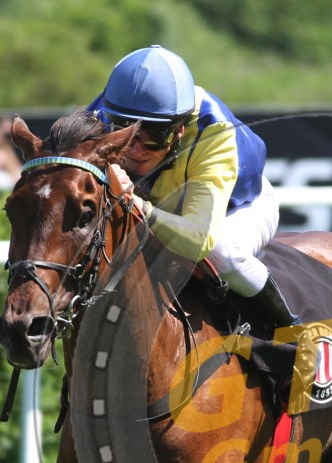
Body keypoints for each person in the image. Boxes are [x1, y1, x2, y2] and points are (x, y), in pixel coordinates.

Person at [90, 45, 298, 327]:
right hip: (161, 202)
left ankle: (292, 330)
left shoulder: (213, 132)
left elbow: (198, 240)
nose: (135, 148)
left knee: (223, 253)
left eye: (154, 135)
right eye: (124, 130)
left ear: (179, 130)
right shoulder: (100, 116)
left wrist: (136, 205)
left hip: (234, 207)